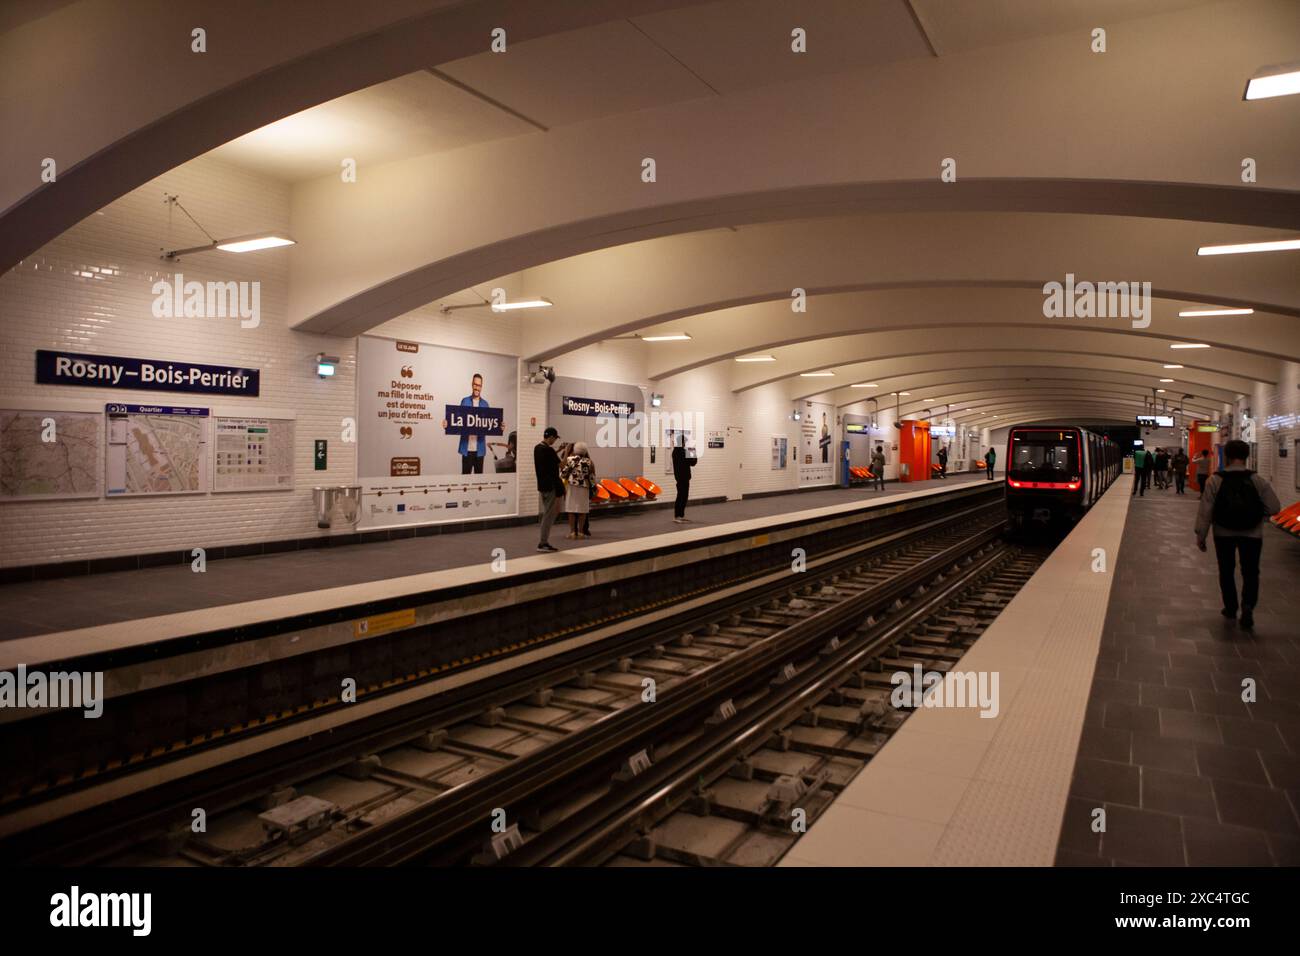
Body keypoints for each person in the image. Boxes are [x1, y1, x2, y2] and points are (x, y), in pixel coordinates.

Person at [1195, 439, 1280, 630]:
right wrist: (1260, 518)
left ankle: (1231, 608)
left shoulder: (1215, 480)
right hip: (1252, 534)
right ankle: (1248, 605)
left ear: (1227, 456)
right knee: (1250, 571)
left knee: (1226, 570)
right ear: (1246, 456)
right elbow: (1274, 507)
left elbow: (1205, 510)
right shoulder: (1258, 480)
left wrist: (1201, 535)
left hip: (1223, 533)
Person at [446, 372, 490, 474]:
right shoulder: (464, 401)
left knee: (479, 482)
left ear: (481, 387)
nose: (477, 387)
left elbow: (490, 424)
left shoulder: (485, 404)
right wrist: (448, 424)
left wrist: (499, 427)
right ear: (472, 384)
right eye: (475, 384)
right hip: (467, 450)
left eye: (479, 385)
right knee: (465, 481)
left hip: (479, 450)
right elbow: (456, 420)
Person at [533, 427, 564, 552]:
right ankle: (543, 542)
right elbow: (562, 465)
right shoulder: (549, 450)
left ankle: (543, 541)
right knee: (548, 515)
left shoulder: (537, 448)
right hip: (551, 486)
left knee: (547, 512)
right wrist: (566, 452)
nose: (555, 441)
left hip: (542, 485)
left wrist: (559, 450)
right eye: (555, 438)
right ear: (550, 437)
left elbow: (548, 458)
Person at [560, 441, 595, 539]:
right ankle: (580, 533)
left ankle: (572, 532)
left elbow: (563, 473)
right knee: (582, 510)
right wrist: (593, 487)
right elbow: (592, 476)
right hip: (584, 487)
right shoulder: (589, 461)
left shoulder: (570, 459)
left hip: (572, 487)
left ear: (575, 450)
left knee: (571, 510)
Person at [671, 433, 696, 523]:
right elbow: (693, 463)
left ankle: (679, 515)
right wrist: (692, 451)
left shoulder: (675, 452)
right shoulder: (683, 452)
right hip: (684, 477)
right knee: (683, 496)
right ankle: (678, 516)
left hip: (679, 477)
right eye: (685, 442)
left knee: (680, 496)